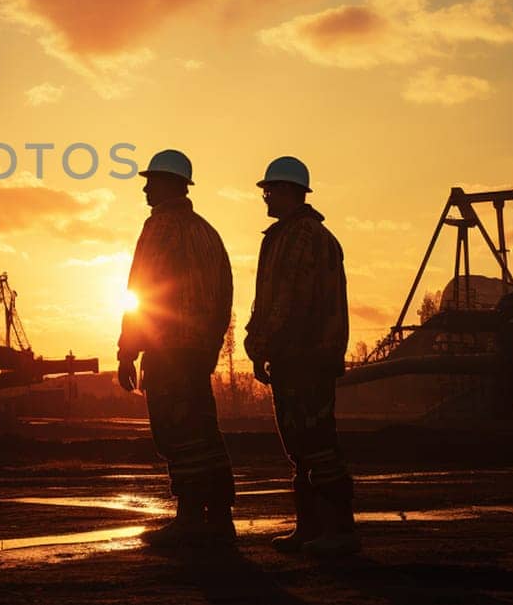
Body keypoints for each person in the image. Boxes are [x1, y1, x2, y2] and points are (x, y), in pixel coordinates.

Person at [117, 149, 235, 547]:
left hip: (168, 350)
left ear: (170, 184)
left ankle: (188, 519)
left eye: (151, 181)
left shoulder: (160, 228)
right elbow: (224, 296)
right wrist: (210, 346)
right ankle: (218, 518)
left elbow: (143, 290)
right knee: (204, 432)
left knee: (176, 434)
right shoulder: (207, 232)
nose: (145, 188)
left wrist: (127, 349)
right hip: (197, 353)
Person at [244, 156, 358, 557]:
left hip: (305, 358)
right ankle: (311, 528)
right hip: (300, 356)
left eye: (270, 190)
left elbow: (286, 302)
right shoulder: (288, 236)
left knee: (316, 442)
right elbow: (270, 300)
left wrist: (259, 346)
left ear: (290, 191)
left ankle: (337, 530)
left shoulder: (300, 239)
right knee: (302, 446)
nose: (265, 197)